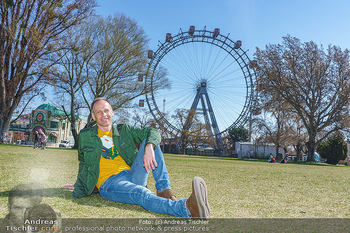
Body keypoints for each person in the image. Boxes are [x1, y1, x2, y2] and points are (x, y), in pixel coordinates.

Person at [71, 97, 210, 219]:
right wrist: (81, 184)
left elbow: (153, 132)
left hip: (132, 173)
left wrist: (149, 146)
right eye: (98, 112)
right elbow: (83, 162)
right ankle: (187, 209)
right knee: (140, 193)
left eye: (106, 110)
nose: (104, 115)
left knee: (149, 141)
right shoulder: (86, 135)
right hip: (110, 183)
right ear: (93, 116)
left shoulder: (124, 130)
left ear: (112, 112)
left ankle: (164, 190)